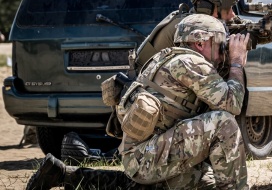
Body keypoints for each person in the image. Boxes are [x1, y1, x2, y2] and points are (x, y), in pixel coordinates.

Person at [26, 14, 251, 190]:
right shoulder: (191, 63)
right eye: (220, 43)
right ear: (201, 41)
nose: (224, 50)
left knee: (204, 185)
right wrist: (237, 62)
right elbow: (231, 104)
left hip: (142, 157)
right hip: (148, 157)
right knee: (223, 122)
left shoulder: (166, 58)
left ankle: (63, 174)